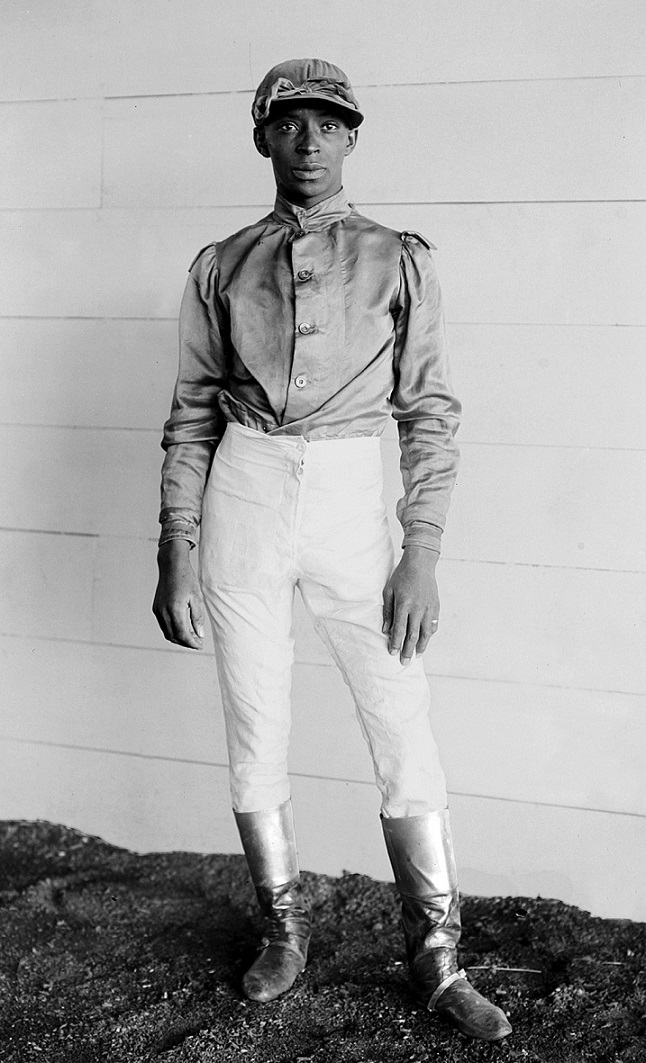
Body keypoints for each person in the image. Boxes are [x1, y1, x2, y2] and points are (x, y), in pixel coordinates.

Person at [153, 58, 512, 1043]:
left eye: (328, 124)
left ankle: (438, 955)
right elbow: (190, 412)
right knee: (254, 718)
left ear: (353, 136)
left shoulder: (399, 257)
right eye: (288, 124)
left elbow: (429, 413)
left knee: (400, 719)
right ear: (261, 136)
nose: (308, 142)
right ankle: (283, 928)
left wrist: (421, 550)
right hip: (245, 491)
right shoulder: (221, 263)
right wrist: (176, 542)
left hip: (353, 495)